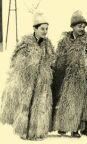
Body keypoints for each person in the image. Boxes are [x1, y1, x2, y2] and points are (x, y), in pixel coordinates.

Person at [0, 12, 55, 140]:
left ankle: (37, 132)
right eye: (42, 28)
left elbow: (52, 59)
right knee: (25, 105)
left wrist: (48, 69)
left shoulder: (48, 44)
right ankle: (23, 131)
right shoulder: (25, 42)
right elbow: (16, 60)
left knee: (40, 106)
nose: (45, 31)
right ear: (35, 28)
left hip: (42, 81)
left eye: (47, 29)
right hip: (27, 80)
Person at [52, 10, 87, 138]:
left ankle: (75, 128)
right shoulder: (63, 42)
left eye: (84, 26)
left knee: (78, 102)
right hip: (66, 76)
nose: (82, 28)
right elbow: (58, 58)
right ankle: (62, 126)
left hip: (81, 76)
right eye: (79, 26)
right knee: (65, 101)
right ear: (73, 27)